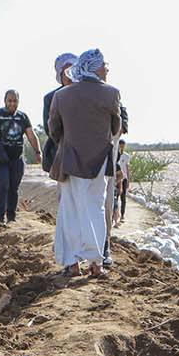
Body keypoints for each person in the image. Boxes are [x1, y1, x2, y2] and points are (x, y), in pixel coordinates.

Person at [48, 49, 120, 277]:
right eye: (104, 65)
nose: (107, 69)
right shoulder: (111, 94)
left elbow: (54, 130)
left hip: (69, 159)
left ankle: (72, 264)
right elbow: (116, 127)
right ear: (95, 67)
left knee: (70, 210)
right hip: (99, 161)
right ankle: (96, 264)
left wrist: (69, 142)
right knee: (95, 209)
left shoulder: (61, 95)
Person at [0, 90, 42, 225]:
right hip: (0, 157)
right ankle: (0, 218)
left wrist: (37, 152)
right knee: (2, 185)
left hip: (16, 157)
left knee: (14, 187)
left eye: (15, 101)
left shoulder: (23, 117)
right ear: (5, 101)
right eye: (10, 101)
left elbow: (31, 134)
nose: (12, 103)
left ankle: (11, 217)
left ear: (18, 101)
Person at [41, 52, 75, 174]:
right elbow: (49, 128)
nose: (70, 76)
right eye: (66, 72)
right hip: (61, 151)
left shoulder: (86, 93)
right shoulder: (51, 98)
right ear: (60, 74)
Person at [114, 139, 130, 221]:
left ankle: (122, 215)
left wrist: (128, 180)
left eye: (123, 146)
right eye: (120, 146)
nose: (122, 147)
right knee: (115, 196)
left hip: (124, 179)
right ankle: (115, 215)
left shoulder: (126, 156)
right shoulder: (115, 155)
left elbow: (127, 168)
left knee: (123, 198)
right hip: (116, 178)